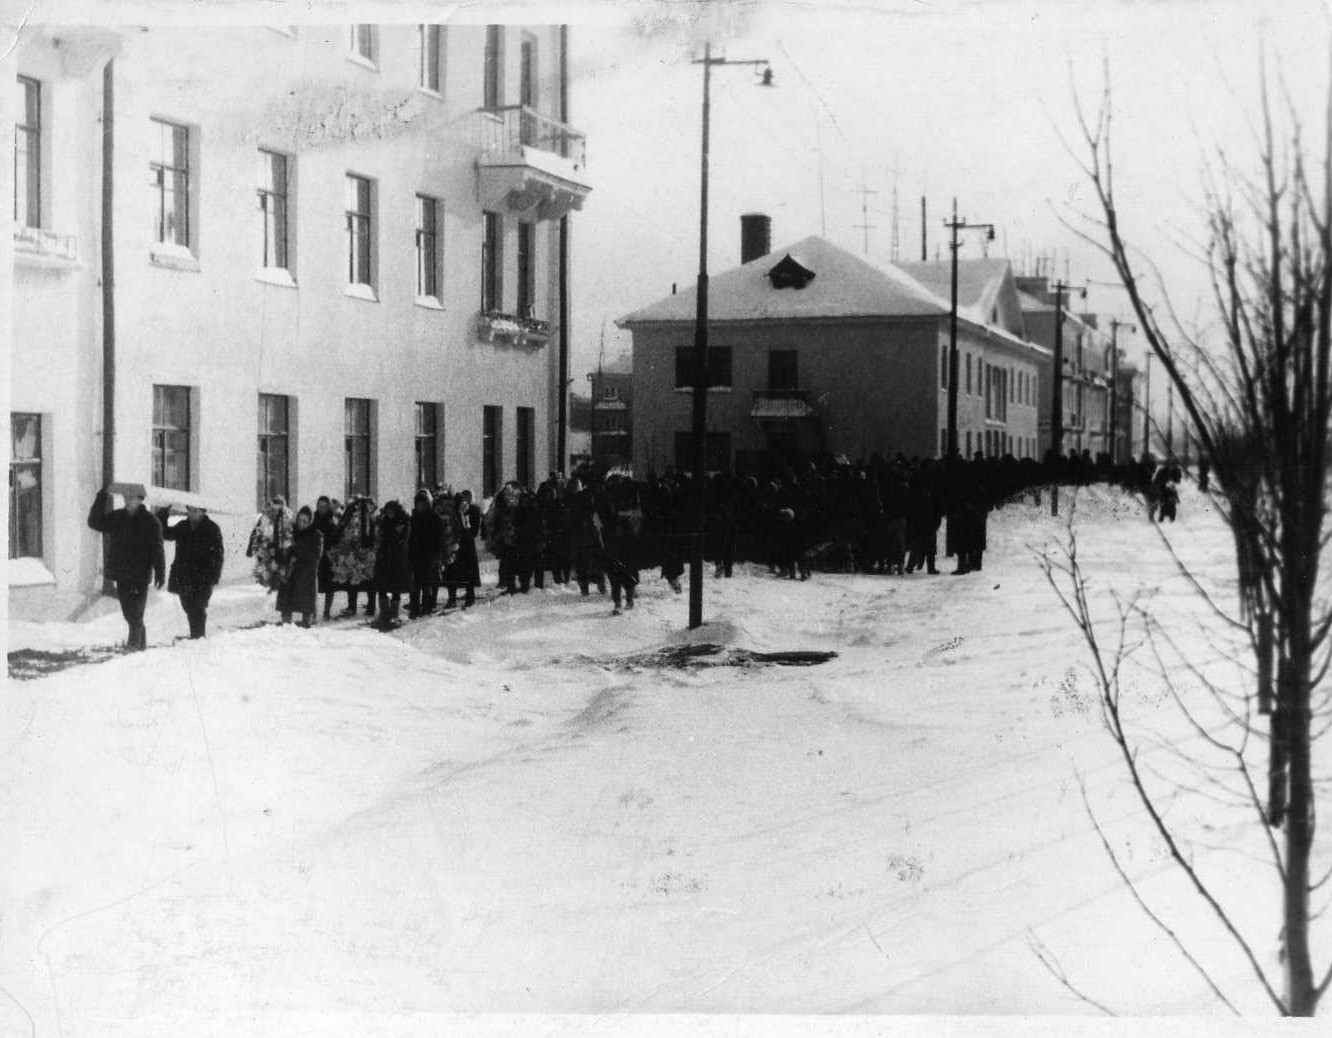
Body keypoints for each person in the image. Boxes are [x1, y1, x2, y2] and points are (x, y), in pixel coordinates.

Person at [87, 484, 165, 651]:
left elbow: (158, 550)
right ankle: (140, 643)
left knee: (136, 612)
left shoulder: (151, 521)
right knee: (128, 612)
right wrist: (101, 498)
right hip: (122, 572)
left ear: (140, 500)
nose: (128, 501)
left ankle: (133, 645)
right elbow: (94, 522)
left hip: (140, 574)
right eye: (126, 498)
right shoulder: (117, 517)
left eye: (132, 498)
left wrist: (160, 572)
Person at [158, 503, 224, 638]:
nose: (193, 514)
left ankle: (198, 636)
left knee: (198, 606)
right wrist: (163, 513)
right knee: (187, 606)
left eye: (196, 511)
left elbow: (218, 555)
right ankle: (196, 635)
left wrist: (213, 577)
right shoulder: (183, 526)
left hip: (203, 577)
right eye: (190, 510)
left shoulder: (212, 529)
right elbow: (165, 533)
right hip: (184, 576)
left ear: (203, 512)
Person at [276, 505, 323, 627]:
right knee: (286, 597)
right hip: (291, 572)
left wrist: (295, 549)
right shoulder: (291, 532)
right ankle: (285, 621)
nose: (301, 524)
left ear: (310, 522)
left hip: (306, 574)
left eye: (305, 521)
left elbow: (315, 556)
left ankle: (307, 620)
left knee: (306, 603)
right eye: (299, 520)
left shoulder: (316, 535)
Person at [373, 499, 412, 629]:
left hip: (397, 560)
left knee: (396, 588)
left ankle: (394, 614)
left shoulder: (403, 522)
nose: (389, 514)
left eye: (392, 511)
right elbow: (380, 537)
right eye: (388, 511)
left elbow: (403, 540)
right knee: (382, 587)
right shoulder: (384, 522)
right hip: (384, 560)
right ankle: (384, 614)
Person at [407, 489, 444, 618]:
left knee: (427, 583)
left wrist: (437, 554)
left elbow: (439, 538)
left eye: (423, 503)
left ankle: (427, 607)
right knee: (414, 584)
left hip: (429, 555)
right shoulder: (413, 518)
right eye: (418, 503)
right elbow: (409, 537)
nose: (420, 506)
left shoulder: (435, 518)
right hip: (415, 555)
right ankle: (414, 608)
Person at [311, 495, 341, 621]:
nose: (321, 509)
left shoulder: (332, 520)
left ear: (328, 507)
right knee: (313, 586)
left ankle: (327, 612)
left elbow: (337, 537)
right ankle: (312, 612)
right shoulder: (313, 518)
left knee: (329, 586)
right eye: (319, 506)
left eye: (324, 506)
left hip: (328, 556)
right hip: (316, 556)